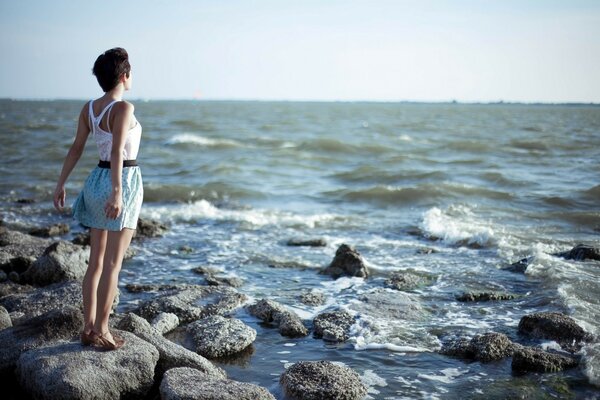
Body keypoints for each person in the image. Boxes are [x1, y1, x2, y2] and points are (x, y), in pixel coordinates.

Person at [53, 47, 143, 350]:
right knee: (113, 265)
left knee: (95, 264)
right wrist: (118, 192)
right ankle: (103, 331)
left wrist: (61, 183)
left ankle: (88, 328)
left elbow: (76, 148)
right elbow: (118, 151)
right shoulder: (123, 108)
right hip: (122, 181)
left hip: (95, 181)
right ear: (124, 76)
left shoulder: (89, 108)